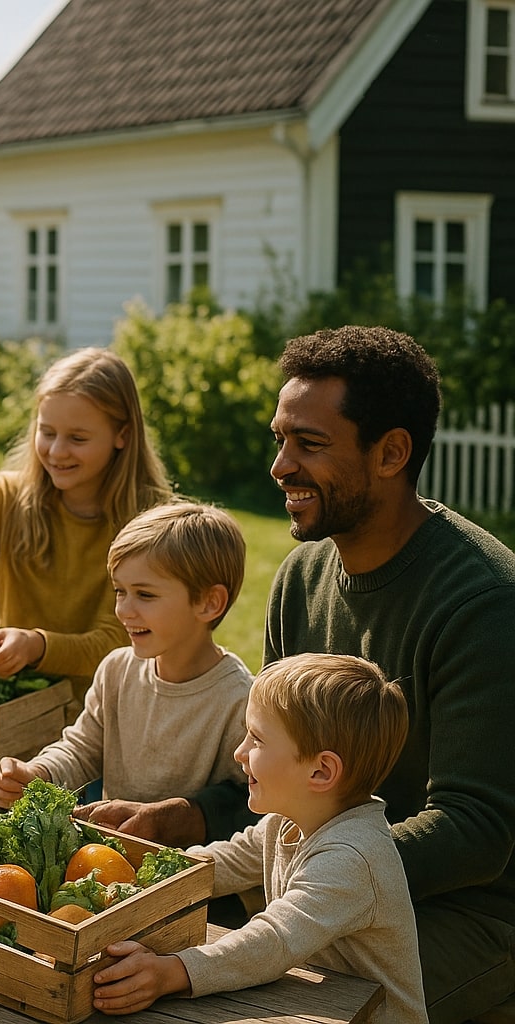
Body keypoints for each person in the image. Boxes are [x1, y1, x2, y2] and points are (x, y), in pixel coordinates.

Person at [263, 325, 515, 1023]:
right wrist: (186, 815)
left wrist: (319, 878)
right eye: (280, 439)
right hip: (321, 885)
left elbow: (476, 829)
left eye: (309, 443)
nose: (281, 466)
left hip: (471, 916)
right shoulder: (298, 580)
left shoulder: (485, 604)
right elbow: (277, 764)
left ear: (391, 453)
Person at [90, 653, 425, 1024]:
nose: (240, 752)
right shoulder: (288, 821)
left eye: (258, 739)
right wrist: (139, 878)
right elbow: (225, 861)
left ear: (320, 771)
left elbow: (273, 940)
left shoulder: (351, 858)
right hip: (321, 1008)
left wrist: (173, 972)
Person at [0, 348, 171, 699]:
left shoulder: (153, 523)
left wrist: (36, 646)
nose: (56, 451)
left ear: (123, 436)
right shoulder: (9, 498)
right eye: (47, 432)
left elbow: (116, 640)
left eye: (77, 438)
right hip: (15, 709)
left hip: (111, 710)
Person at [0, 501, 256, 846]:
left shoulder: (241, 700)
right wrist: (37, 773)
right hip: (104, 859)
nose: (123, 610)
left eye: (144, 594)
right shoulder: (117, 670)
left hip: (185, 871)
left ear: (209, 602)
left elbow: (246, 807)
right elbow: (82, 749)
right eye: (120, 591)